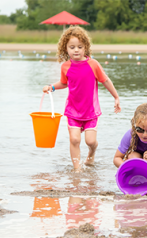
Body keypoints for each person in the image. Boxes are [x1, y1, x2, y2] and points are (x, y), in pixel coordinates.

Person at [43, 26, 121, 172]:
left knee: (90, 141)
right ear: (65, 48)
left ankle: (92, 151)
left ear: (86, 48)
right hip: (73, 110)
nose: (76, 50)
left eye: (80, 47)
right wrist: (51, 87)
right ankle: (77, 169)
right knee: (74, 140)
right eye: (72, 47)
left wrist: (116, 97)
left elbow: (105, 81)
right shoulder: (65, 67)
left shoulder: (93, 64)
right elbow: (64, 83)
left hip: (90, 111)